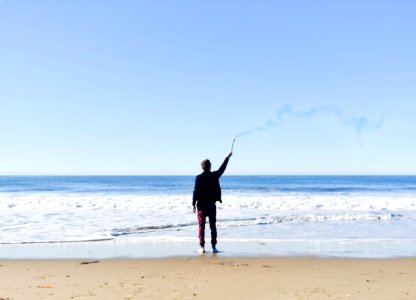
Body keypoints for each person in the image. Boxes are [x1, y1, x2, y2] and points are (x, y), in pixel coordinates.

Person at [192, 152, 232, 254]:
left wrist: (193, 204)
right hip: (211, 205)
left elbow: (195, 191)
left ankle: (202, 247)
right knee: (213, 226)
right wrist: (227, 157)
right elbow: (223, 168)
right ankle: (214, 247)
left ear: (202, 167)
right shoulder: (214, 176)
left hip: (201, 206)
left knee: (201, 226)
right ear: (209, 166)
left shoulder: (198, 177)